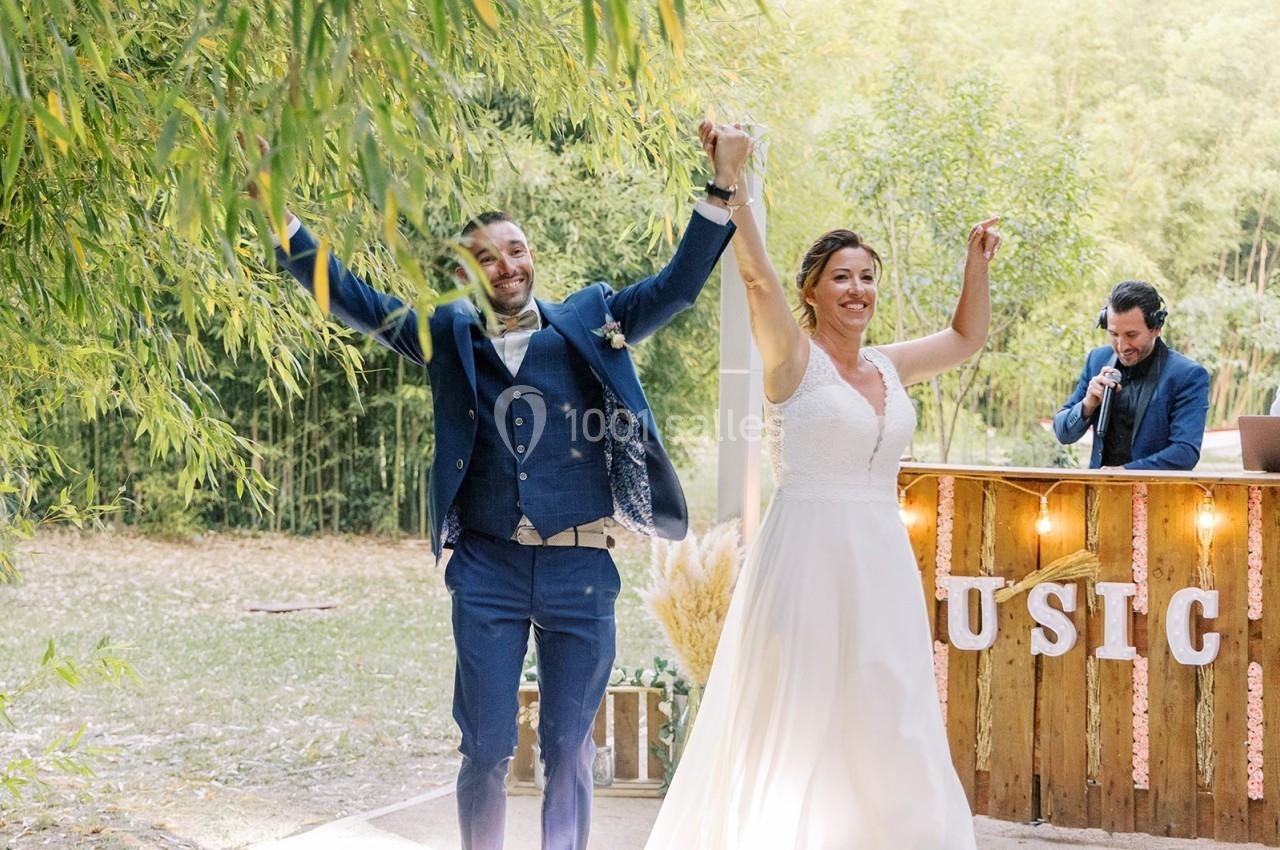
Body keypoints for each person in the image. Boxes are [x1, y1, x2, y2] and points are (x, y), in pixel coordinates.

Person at [243, 125, 751, 850]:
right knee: (482, 750)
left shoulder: (591, 319)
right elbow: (353, 298)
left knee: (568, 751)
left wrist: (721, 187)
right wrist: (278, 219)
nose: (504, 265)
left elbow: (675, 289)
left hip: (580, 569)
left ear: (532, 257)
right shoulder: (447, 334)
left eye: (514, 250)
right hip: (487, 570)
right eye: (485, 257)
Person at [643, 121, 997, 850]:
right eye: (842, 276)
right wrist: (733, 188)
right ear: (812, 290)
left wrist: (976, 262)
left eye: (867, 276)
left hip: (880, 559)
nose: (858, 289)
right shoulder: (792, 360)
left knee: (890, 703)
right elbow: (754, 279)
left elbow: (966, 339)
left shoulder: (893, 365)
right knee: (803, 713)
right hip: (806, 556)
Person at [1053, 280, 1210, 470]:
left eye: (1131, 335)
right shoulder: (1096, 360)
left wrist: (1125, 473)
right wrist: (1087, 405)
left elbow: (1185, 452)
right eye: (1114, 334)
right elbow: (1063, 433)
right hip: (1100, 494)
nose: (1121, 346)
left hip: (1157, 497)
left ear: (1156, 328)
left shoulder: (1188, 375)